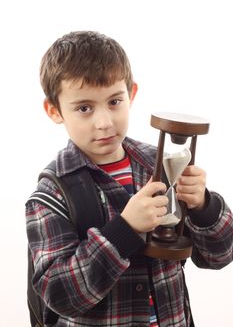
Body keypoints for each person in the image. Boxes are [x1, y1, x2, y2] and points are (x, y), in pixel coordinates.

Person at [26, 30, 233, 327]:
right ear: (54, 110)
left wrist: (204, 206)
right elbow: (59, 294)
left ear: (131, 94)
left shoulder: (158, 165)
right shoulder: (52, 193)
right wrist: (123, 230)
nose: (104, 122)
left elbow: (220, 255)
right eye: (84, 108)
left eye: (114, 102)